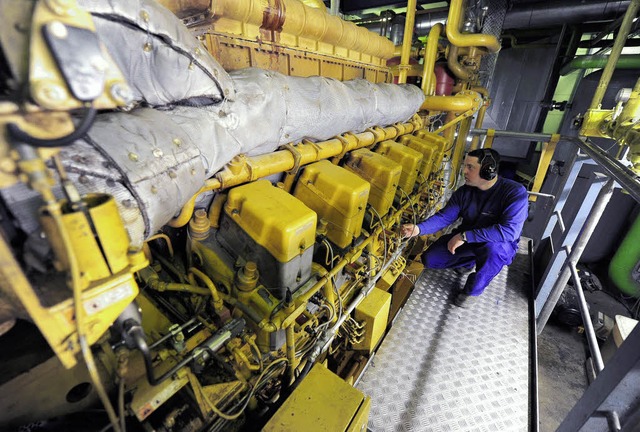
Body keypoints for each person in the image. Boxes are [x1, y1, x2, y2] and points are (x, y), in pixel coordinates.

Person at [401, 148, 528, 308]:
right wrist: (418, 229)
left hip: (497, 243)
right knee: (430, 259)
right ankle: (468, 262)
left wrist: (464, 236)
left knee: (493, 251)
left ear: (488, 170)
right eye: (464, 166)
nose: (464, 171)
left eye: (470, 167)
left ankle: (472, 291)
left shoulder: (514, 193)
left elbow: (510, 231)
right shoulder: (464, 192)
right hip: (468, 240)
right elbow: (445, 217)